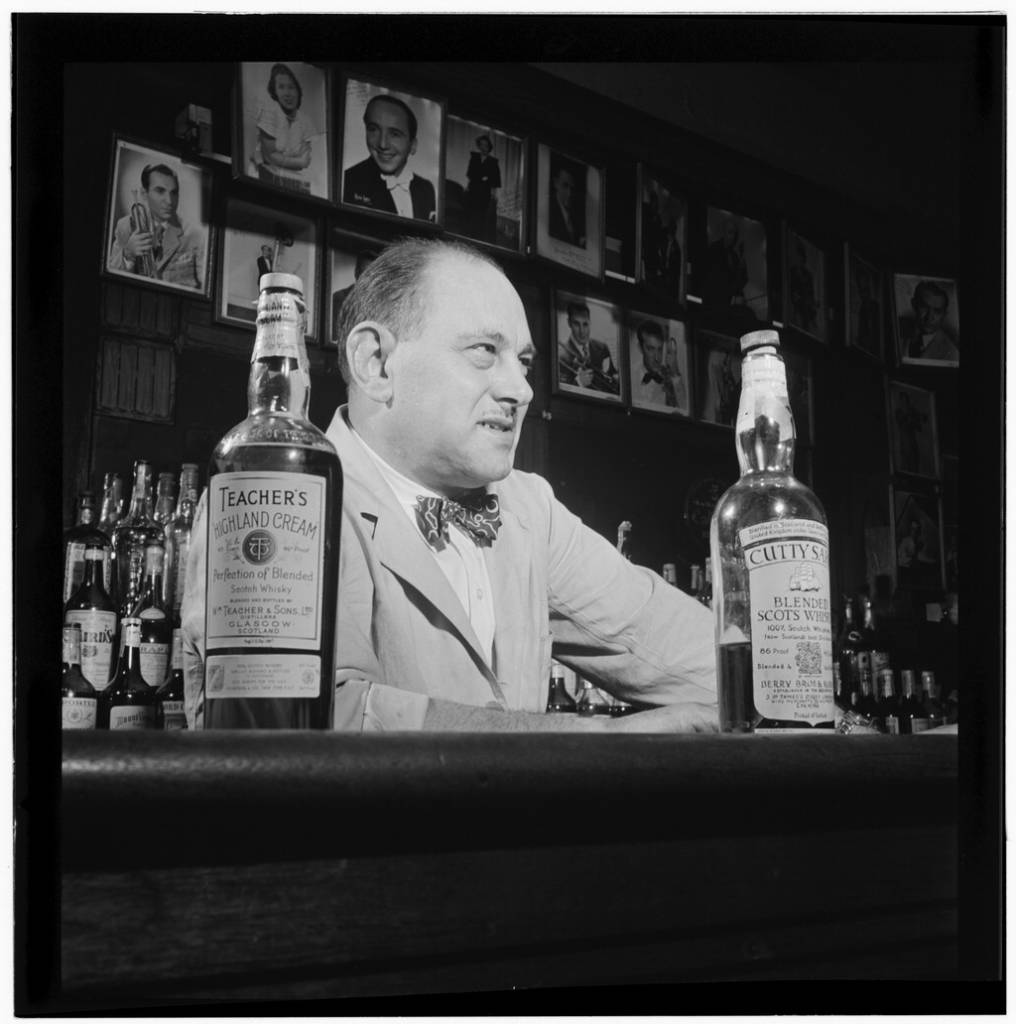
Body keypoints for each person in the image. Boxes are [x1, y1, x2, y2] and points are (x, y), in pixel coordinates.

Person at [182, 238, 717, 732]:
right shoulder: (274, 498)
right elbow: (290, 722)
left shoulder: (529, 508)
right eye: (485, 350)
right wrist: (592, 738)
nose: (521, 390)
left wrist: (790, 668)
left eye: (524, 362)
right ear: (377, 363)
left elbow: (689, 654)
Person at [110, 162, 204, 289]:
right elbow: (110, 278)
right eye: (160, 191)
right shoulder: (125, 226)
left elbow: (201, 287)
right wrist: (128, 254)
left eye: (174, 193)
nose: (169, 201)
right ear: (144, 194)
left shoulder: (193, 235)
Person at [343, 94, 436, 222]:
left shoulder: (426, 189)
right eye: (373, 129)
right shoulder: (348, 181)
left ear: (413, 146)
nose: (382, 144)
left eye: (394, 134)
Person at [249, 63, 314, 194]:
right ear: (275, 92)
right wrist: (298, 162)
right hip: (262, 179)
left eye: (291, 87)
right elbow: (270, 157)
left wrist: (296, 162)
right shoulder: (269, 114)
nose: (287, 93)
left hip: (294, 183)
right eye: (281, 87)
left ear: (298, 90)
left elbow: (307, 159)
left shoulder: (306, 121)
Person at [557, 301, 619, 395]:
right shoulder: (561, 355)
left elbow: (611, 377)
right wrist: (579, 383)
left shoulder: (602, 347)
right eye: (576, 324)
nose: (582, 331)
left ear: (590, 322)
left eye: (585, 324)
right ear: (569, 323)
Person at [898, 280, 959, 363]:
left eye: (937, 311)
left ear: (944, 315)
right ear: (914, 304)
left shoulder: (952, 354)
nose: (929, 317)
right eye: (924, 307)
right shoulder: (897, 330)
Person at [630, 320, 686, 410]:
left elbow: (685, 409)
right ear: (640, 348)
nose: (657, 358)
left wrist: (675, 372)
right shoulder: (629, 374)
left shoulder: (672, 377)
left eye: (659, 349)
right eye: (651, 349)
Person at [702, 216, 749, 312]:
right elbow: (714, 281)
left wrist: (742, 268)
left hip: (729, 307)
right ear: (723, 233)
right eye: (730, 232)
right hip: (715, 305)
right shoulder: (714, 250)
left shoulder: (735, 256)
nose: (733, 237)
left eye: (735, 234)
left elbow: (741, 281)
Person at [331, 249, 377, 344]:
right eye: (364, 272)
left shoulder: (379, 304)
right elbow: (334, 338)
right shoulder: (339, 298)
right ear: (356, 273)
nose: (367, 279)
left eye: (372, 275)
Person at [464, 134, 501, 243]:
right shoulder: (474, 157)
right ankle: (468, 237)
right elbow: (470, 173)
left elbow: (495, 179)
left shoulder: (493, 162)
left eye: (486, 145)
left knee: (481, 217)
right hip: (473, 189)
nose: (483, 147)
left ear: (489, 147)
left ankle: (477, 239)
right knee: (470, 214)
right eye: (481, 145)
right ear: (479, 146)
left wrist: (494, 194)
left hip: (484, 192)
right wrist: (479, 179)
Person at [547, 160, 585, 247]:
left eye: (572, 188)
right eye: (565, 186)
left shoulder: (576, 217)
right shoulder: (548, 211)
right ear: (556, 183)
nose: (569, 193)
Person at [787, 238, 818, 334]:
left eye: (800, 256)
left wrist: (812, 303)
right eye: (797, 256)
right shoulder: (791, 272)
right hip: (796, 308)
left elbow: (811, 294)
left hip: (807, 310)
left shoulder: (808, 275)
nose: (799, 259)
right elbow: (790, 291)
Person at [894, 390, 927, 473]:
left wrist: (916, 419)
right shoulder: (898, 411)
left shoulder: (912, 411)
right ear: (901, 401)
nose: (905, 402)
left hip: (912, 441)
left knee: (914, 460)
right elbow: (900, 421)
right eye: (903, 400)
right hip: (905, 441)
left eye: (906, 400)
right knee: (906, 461)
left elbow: (919, 426)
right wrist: (909, 417)